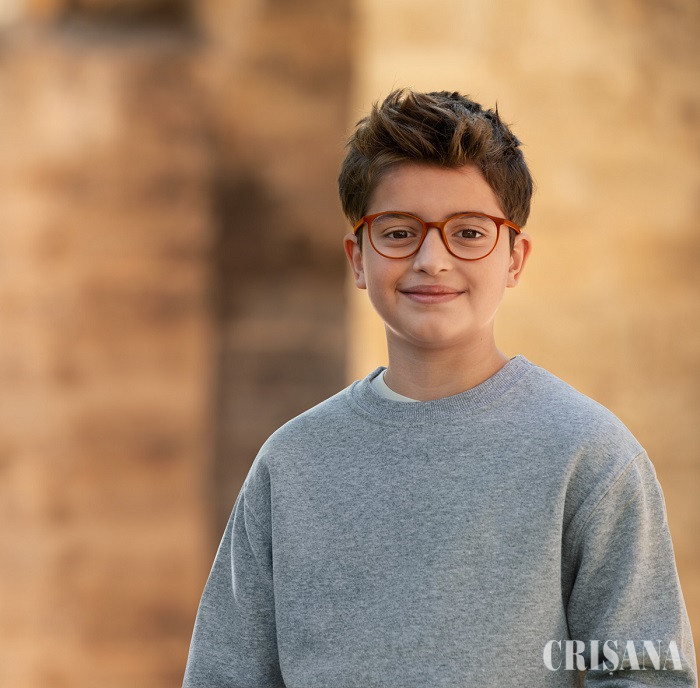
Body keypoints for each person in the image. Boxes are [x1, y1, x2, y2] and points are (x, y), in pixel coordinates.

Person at [182, 89, 697, 687]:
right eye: (399, 232)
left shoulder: (587, 454)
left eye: (469, 233)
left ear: (515, 258)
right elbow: (225, 676)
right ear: (357, 258)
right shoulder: (292, 464)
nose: (432, 259)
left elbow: (646, 675)